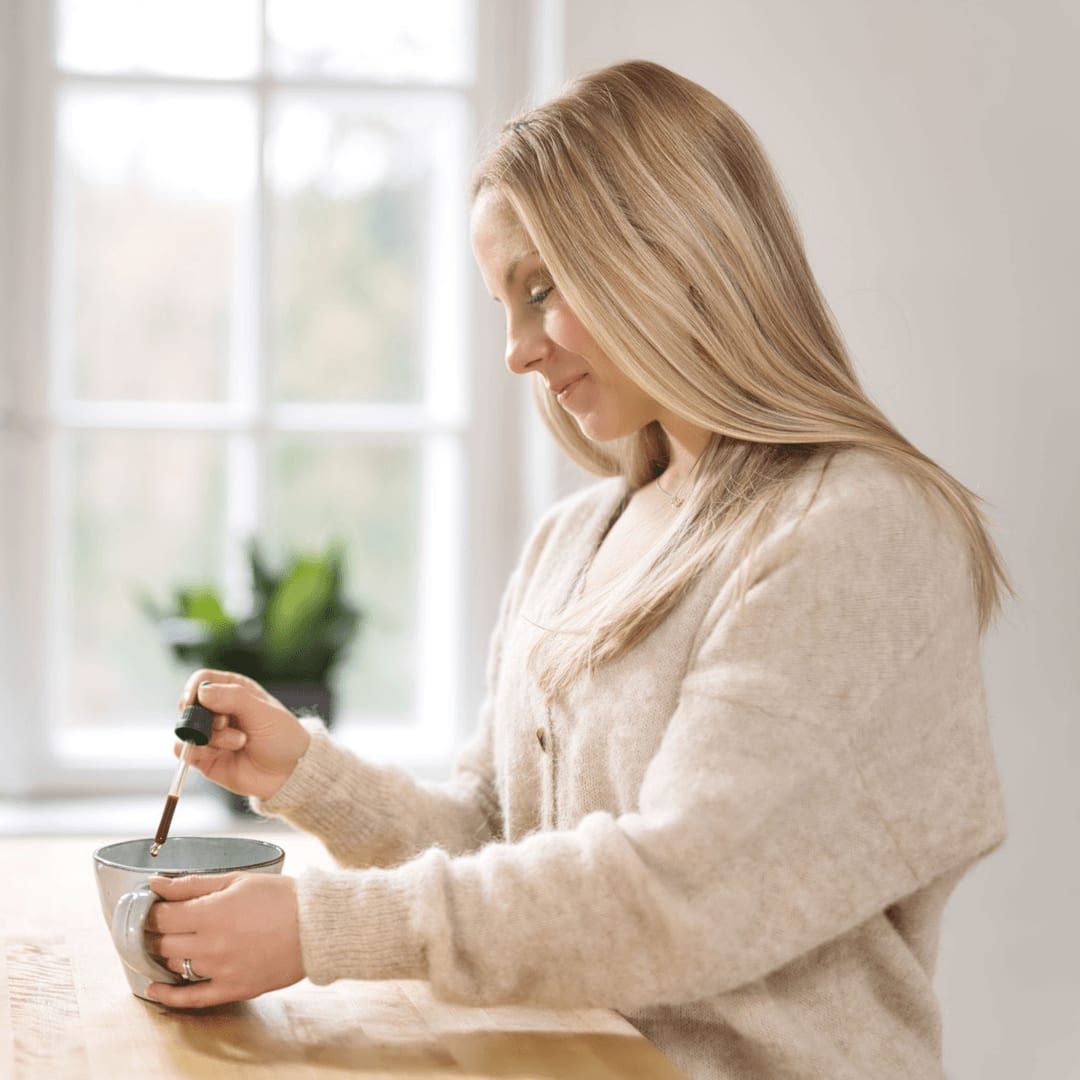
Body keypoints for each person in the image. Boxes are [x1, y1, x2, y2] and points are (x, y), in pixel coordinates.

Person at [142, 59, 1013, 1079]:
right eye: (501, 302)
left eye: (541, 288)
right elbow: (499, 846)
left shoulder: (856, 530)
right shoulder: (576, 541)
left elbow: (684, 891)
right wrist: (307, 778)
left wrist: (320, 927)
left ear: (673, 252)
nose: (516, 351)